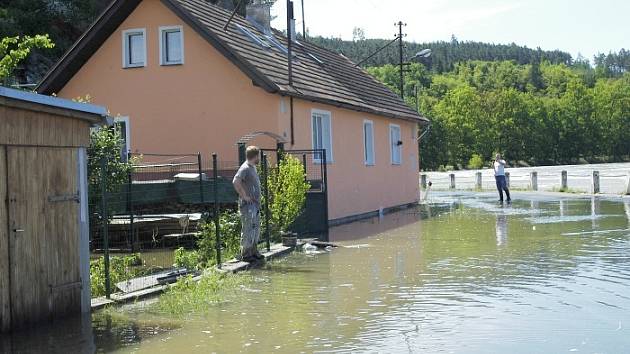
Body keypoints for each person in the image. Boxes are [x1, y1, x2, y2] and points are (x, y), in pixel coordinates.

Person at [232, 146, 264, 262]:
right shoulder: (244, 168)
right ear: (255, 156)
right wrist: (244, 196)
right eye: (258, 156)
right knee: (248, 228)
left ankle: (253, 251)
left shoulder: (252, 167)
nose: (259, 158)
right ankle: (246, 254)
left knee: (256, 228)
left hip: (255, 205)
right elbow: (236, 181)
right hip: (247, 206)